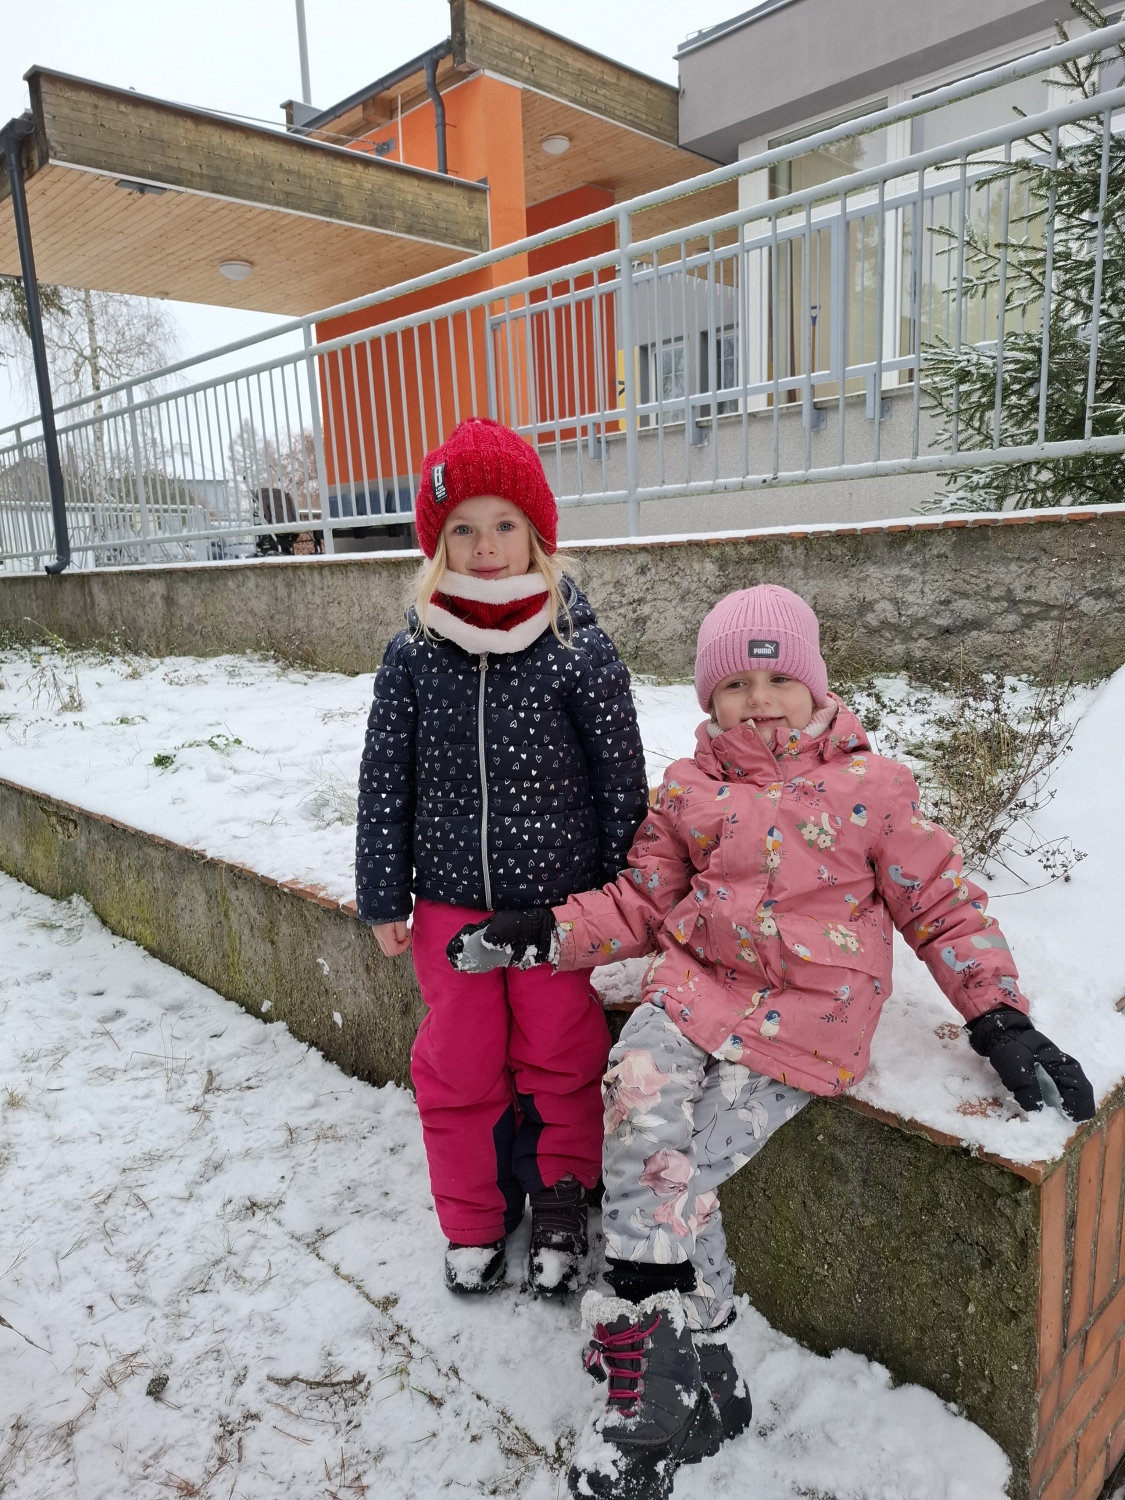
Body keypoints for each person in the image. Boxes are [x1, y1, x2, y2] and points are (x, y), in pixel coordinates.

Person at [447, 583, 1096, 1499]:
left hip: (807, 1014)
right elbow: (641, 901)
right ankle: (675, 1372)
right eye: (734, 686)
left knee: (674, 1167)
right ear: (709, 698)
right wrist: (543, 932)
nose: (758, 701)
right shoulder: (688, 790)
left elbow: (942, 904)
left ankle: (685, 1367)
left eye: (778, 679)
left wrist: (998, 1016)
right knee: (633, 1083)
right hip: (694, 987)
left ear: (815, 685)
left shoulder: (874, 789)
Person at [356, 417, 648, 1299]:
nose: (485, 548)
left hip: (557, 915)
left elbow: (619, 780)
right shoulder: (413, 655)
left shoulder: (577, 648)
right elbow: (384, 781)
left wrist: (622, 901)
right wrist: (383, 895)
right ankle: (473, 1215)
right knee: (458, 1063)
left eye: (504, 525)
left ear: (536, 535)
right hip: (450, 907)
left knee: (561, 1051)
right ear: (436, 546)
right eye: (462, 530)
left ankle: (560, 1196)